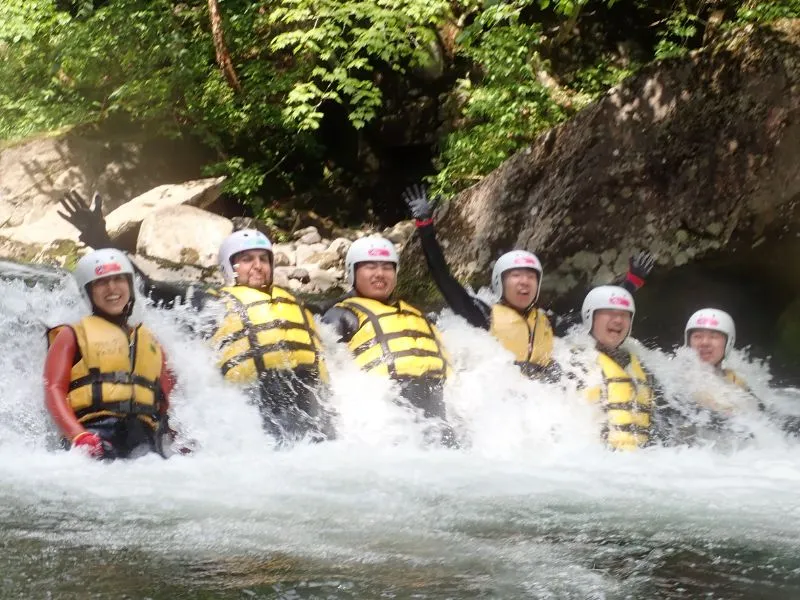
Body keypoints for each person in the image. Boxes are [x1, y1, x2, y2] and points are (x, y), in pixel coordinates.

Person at [58, 191, 332, 443]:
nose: (258, 266)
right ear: (229, 266)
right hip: (254, 408)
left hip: (312, 407)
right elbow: (147, 288)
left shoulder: (297, 304)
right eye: (247, 259)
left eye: (264, 259)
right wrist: (101, 241)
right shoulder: (209, 301)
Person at [402, 184, 655, 381]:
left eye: (531, 276)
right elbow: (443, 278)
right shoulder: (480, 314)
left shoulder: (548, 322)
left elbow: (594, 318)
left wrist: (630, 284)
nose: (525, 282)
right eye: (516, 276)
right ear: (500, 282)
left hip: (541, 401)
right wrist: (425, 226)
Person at [44, 249, 177, 459]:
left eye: (118, 279)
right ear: (88, 292)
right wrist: (79, 436)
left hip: (146, 444)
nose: (112, 288)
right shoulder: (71, 335)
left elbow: (170, 401)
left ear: (130, 285)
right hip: (95, 436)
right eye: (101, 282)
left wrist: (183, 445)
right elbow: (53, 389)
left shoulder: (152, 343)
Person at [321, 236, 454, 442]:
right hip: (388, 417)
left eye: (387, 267)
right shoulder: (340, 316)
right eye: (370, 267)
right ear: (352, 272)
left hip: (437, 412)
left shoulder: (418, 316)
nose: (380, 274)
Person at [577, 285, 674, 451]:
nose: (618, 320)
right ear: (590, 316)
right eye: (610, 313)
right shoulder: (572, 361)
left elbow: (666, 421)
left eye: (624, 315)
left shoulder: (643, 369)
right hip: (594, 460)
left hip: (639, 462)